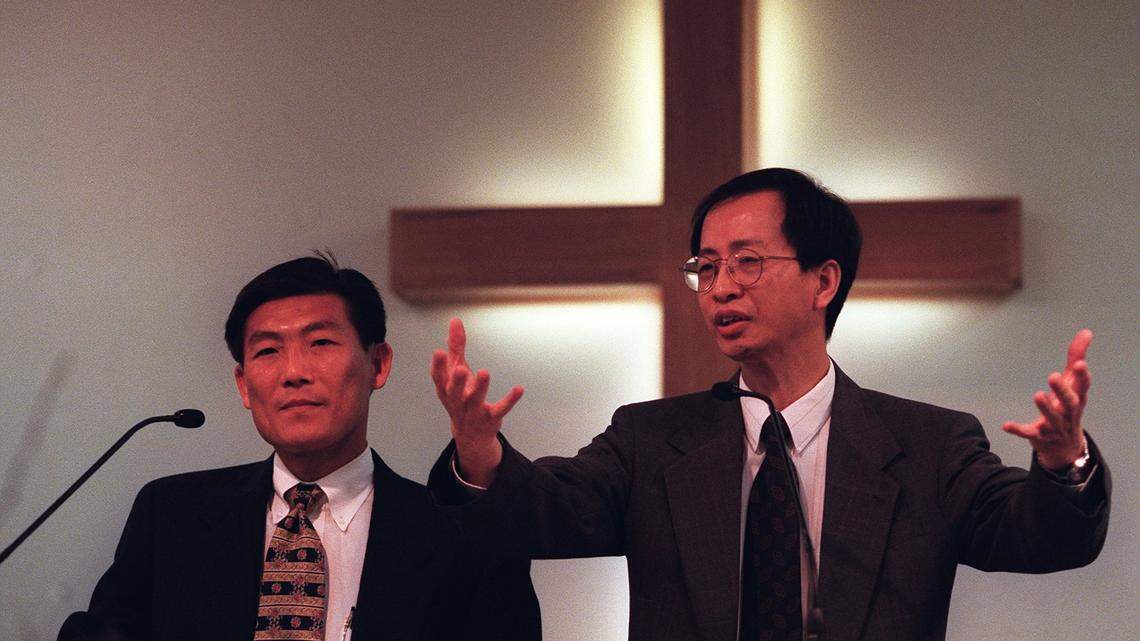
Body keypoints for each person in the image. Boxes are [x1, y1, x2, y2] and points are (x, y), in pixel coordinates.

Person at [426, 168, 1111, 641]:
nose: (721, 286)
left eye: (747, 261)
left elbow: (1044, 534)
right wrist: (480, 451)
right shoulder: (650, 440)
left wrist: (1063, 461)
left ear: (824, 281)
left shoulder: (928, 446)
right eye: (707, 266)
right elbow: (545, 513)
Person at [59, 254, 540, 641]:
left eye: (321, 343)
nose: (294, 372)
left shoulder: (461, 534)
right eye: (268, 350)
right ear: (244, 386)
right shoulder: (171, 516)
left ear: (378, 364)